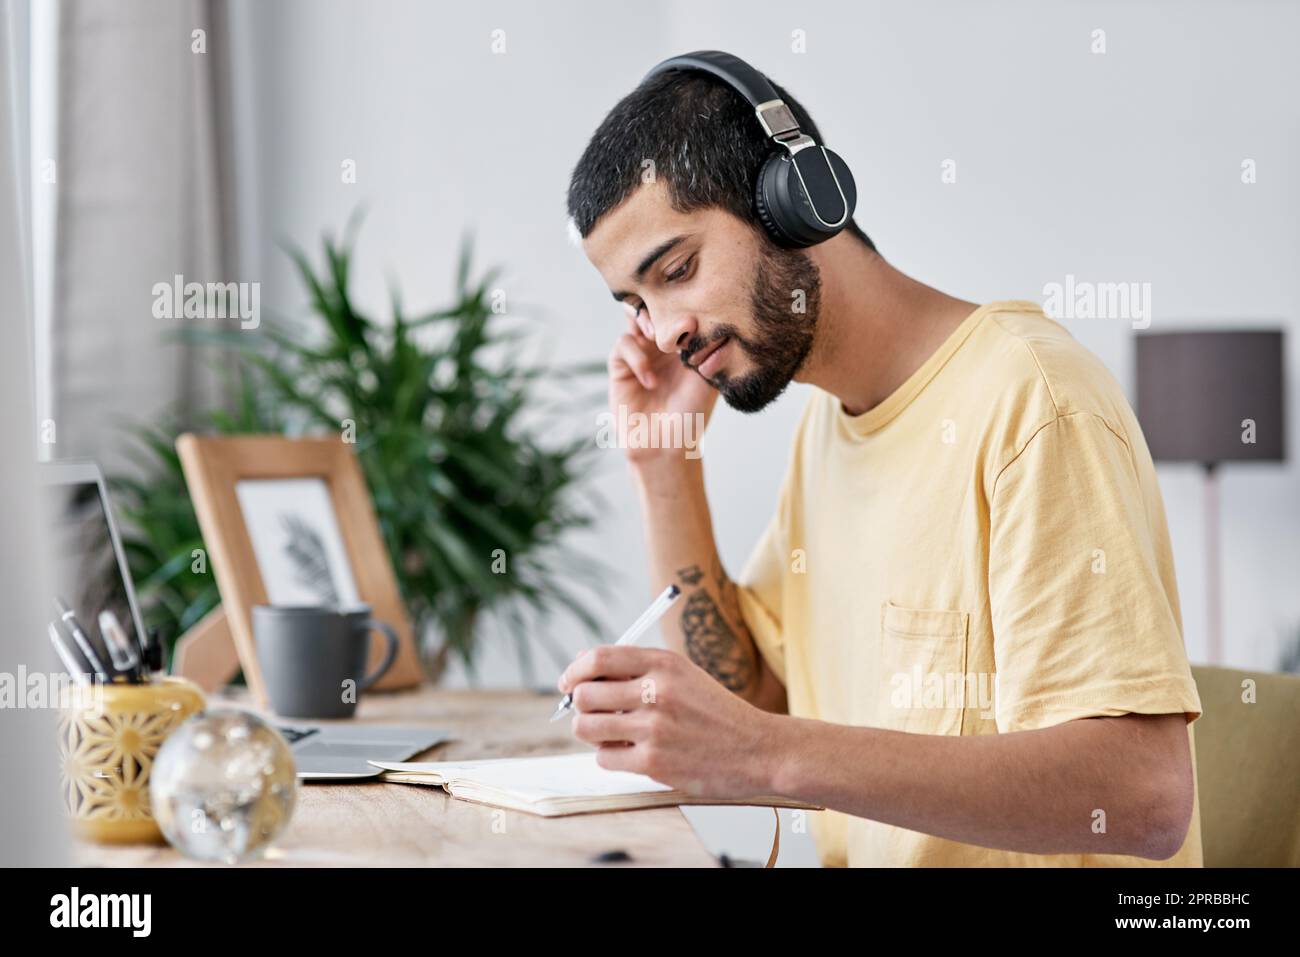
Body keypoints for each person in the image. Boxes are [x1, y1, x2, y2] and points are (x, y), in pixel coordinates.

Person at [559, 53, 1202, 866]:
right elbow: (748, 698)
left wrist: (768, 752)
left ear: (798, 200)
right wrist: (664, 466)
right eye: (637, 306)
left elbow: (1142, 795)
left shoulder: (1035, 403)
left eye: (676, 270)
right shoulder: (830, 431)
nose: (663, 331)